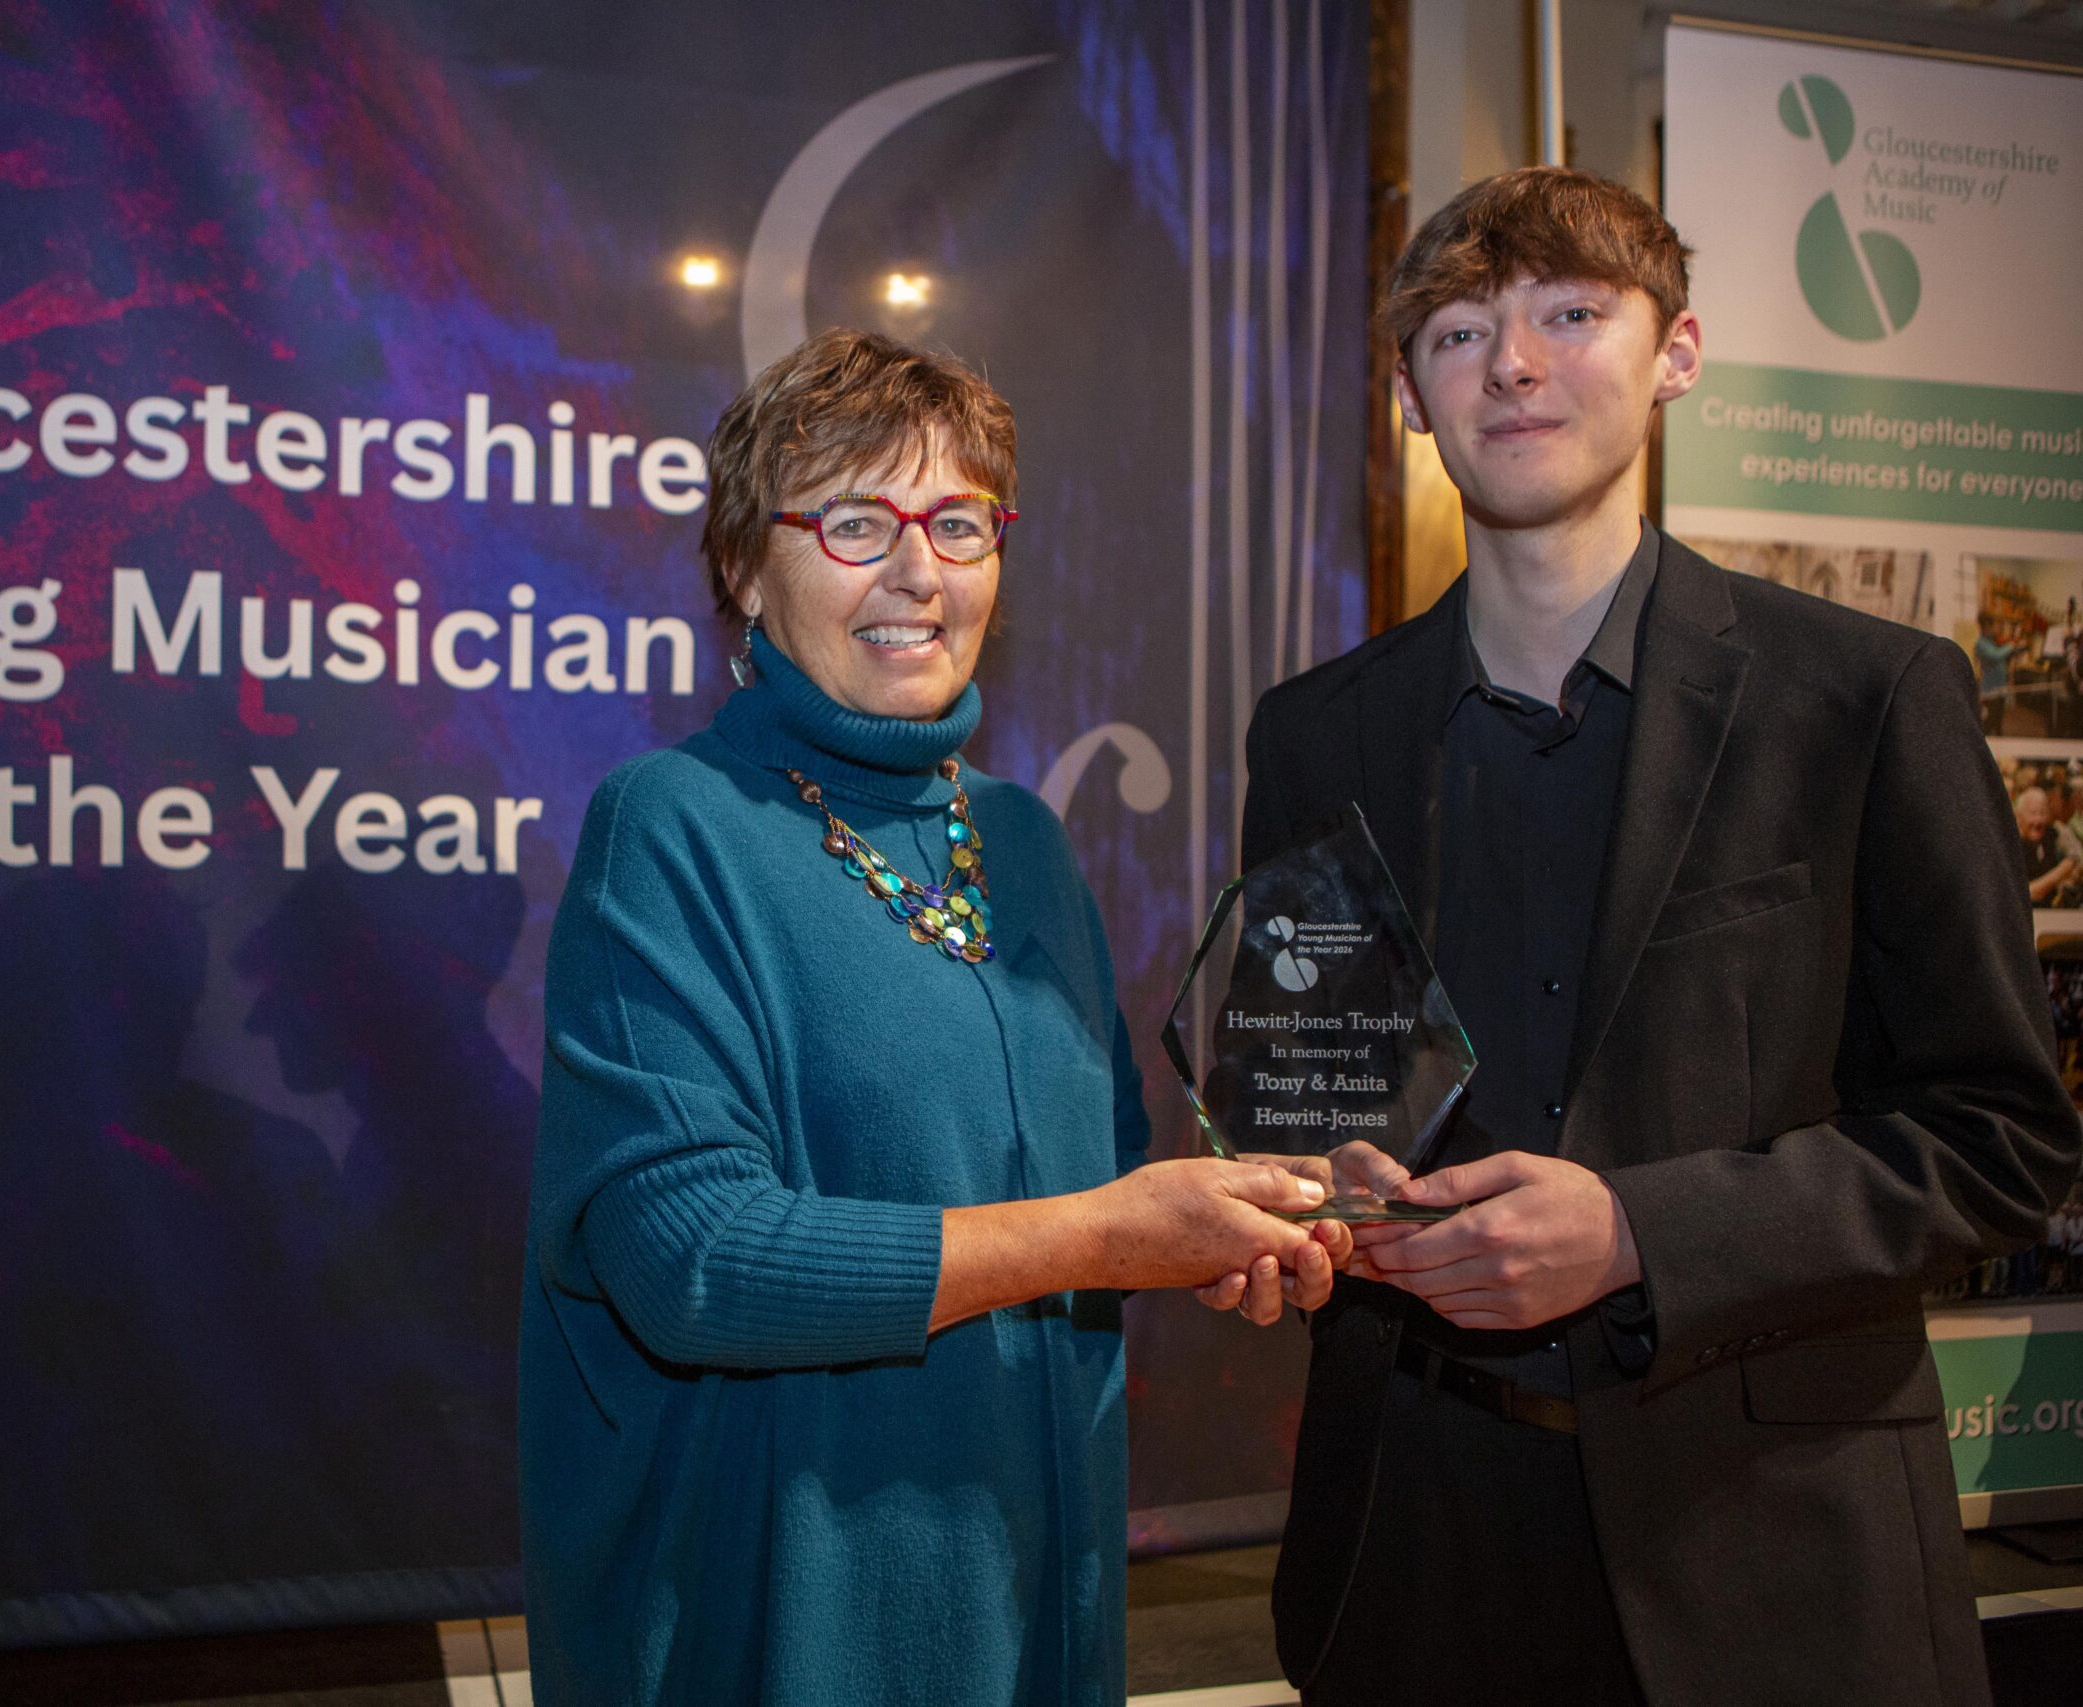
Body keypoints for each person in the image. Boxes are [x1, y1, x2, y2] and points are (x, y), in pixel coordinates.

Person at [1241, 168, 2080, 1705]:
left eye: (1571, 315)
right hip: (1413, 1556)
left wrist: (1642, 1233)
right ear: (1411, 397)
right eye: (1460, 332)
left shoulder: (1867, 699)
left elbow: (2001, 1138)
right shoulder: (1314, 737)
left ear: (1675, 353)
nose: (1513, 363)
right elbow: (1306, 1094)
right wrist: (1314, 1192)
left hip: (1776, 1561)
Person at [519, 328, 1350, 1706]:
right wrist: (1106, 1233)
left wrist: (1221, 1231)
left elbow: (1093, 1192)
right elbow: (690, 1259)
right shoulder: (667, 829)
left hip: (1032, 1585)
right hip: (797, 1607)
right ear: (744, 568)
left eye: (958, 523)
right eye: (856, 522)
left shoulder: (1023, 841)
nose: (919, 572)